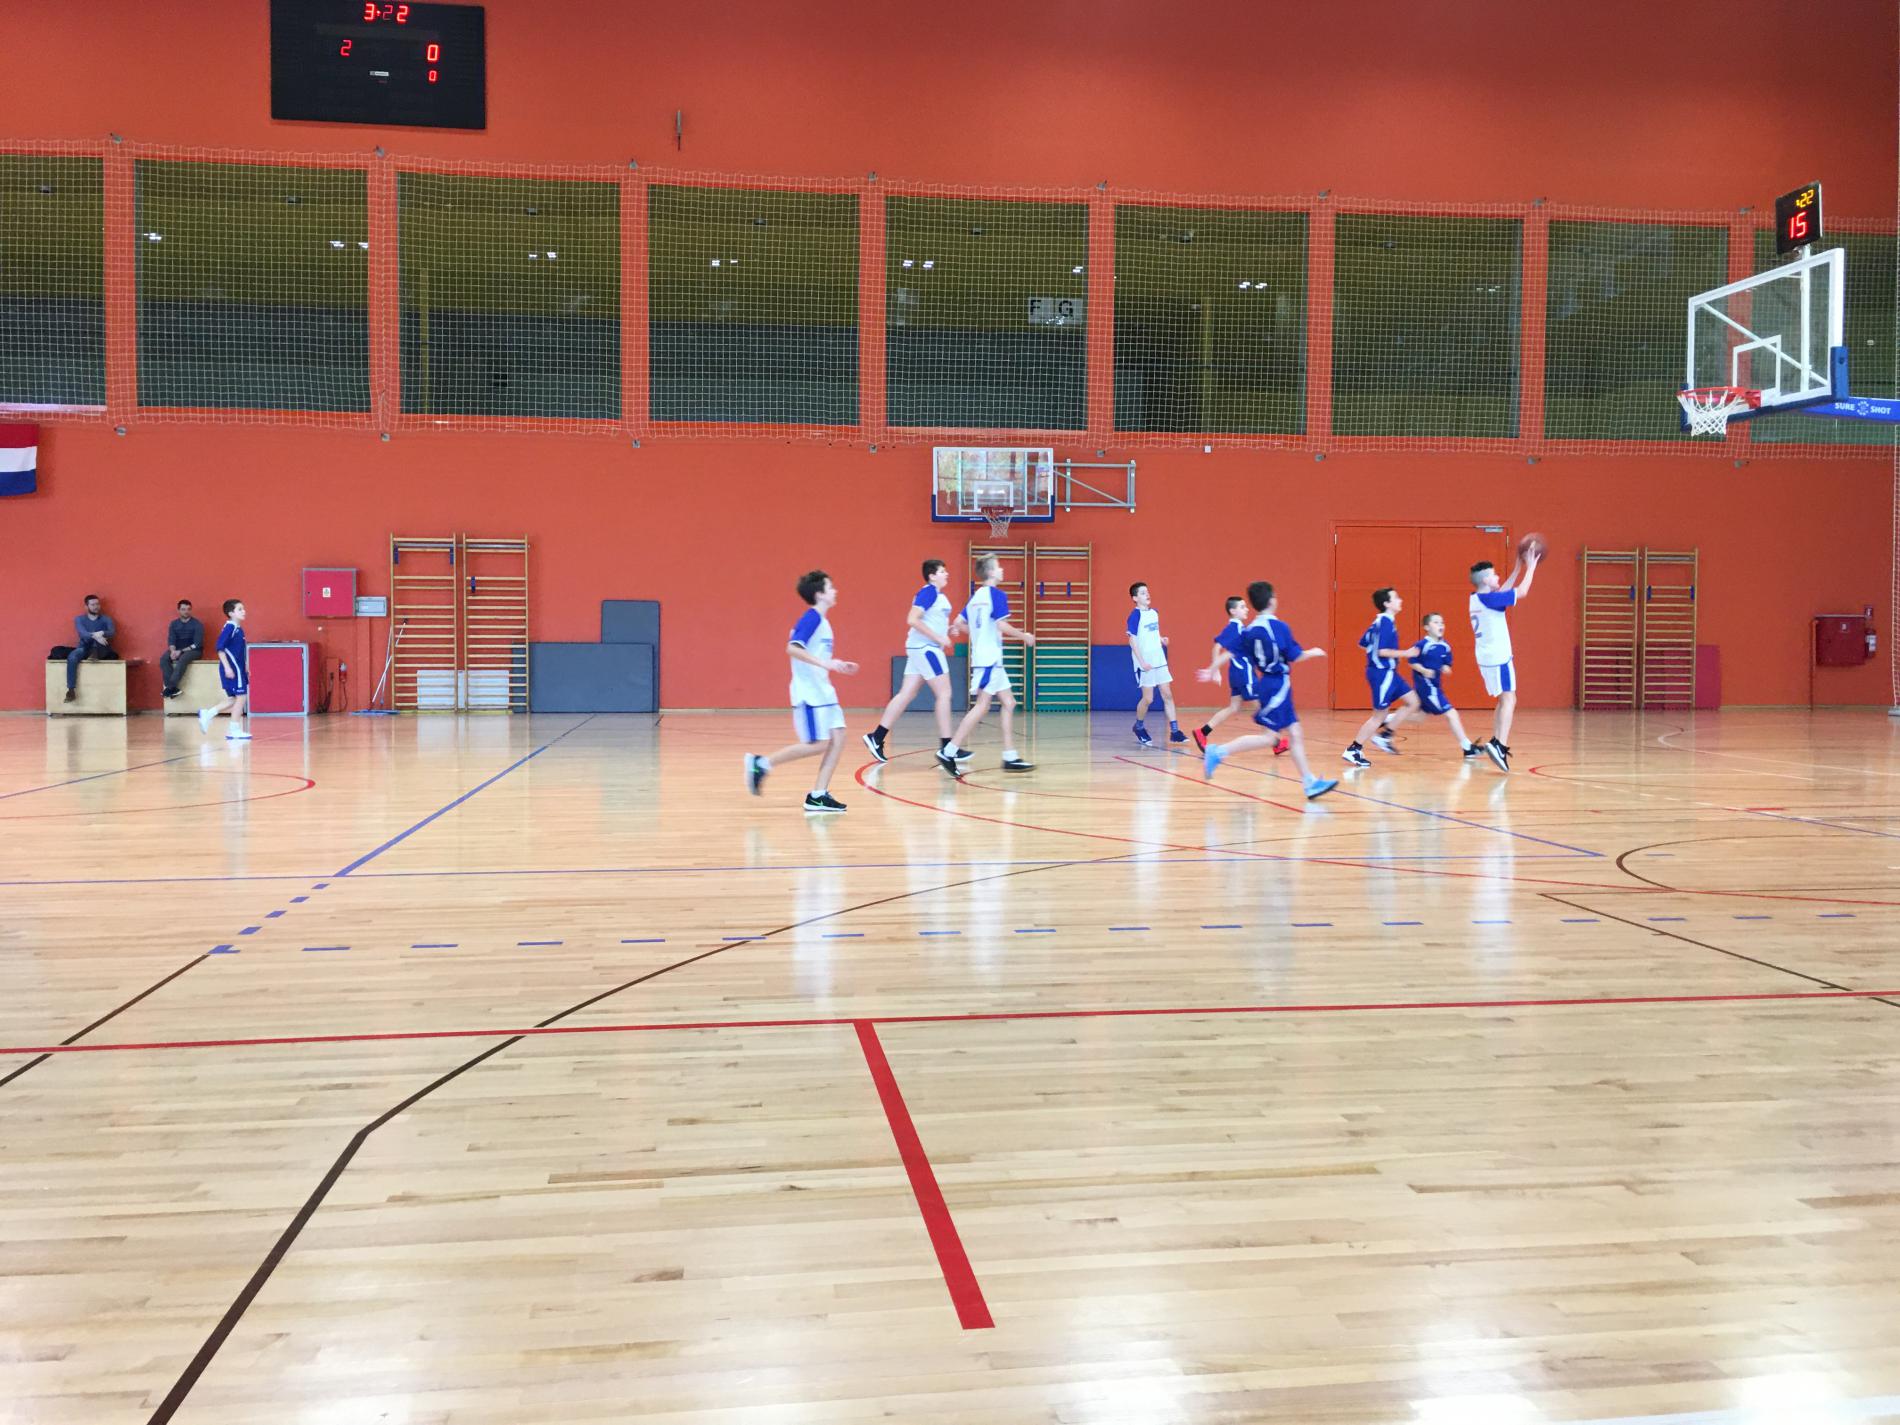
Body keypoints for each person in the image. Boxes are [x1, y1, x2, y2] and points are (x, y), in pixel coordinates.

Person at [1201, 580, 1338, 801]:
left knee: (1293, 733)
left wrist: (1212, 668)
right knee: (1270, 737)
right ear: (1272, 600)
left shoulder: (1250, 630)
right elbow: (1295, 655)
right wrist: (1313, 652)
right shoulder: (1279, 627)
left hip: (1269, 684)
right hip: (1277, 686)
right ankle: (1218, 752)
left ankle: (1309, 782)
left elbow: (1230, 652)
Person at [745, 569, 858, 812]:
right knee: (818, 744)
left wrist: (837, 664)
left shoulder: (823, 622)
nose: (835, 591)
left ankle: (818, 795)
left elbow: (814, 654)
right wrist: (826, 664)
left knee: (839, 737)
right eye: (830, 587)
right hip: (810, 694)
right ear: (819, 594)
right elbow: (793, 648)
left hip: (824, 691)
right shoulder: (812, 618)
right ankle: (761, 764)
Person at [937, 554, 1035, 776]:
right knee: (982, 706)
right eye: (999, 567)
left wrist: (976, 633)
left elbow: (958, 623)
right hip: (989, 660)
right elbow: (1001, 625)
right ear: (991, 572)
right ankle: (949, 751)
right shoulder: (997, 594)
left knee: (1009, 702)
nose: (1002, 570)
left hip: (989, 659)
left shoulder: (976, 597)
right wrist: (1024, 636)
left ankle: (1010, 756)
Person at [863, 558, 964, 765]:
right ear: (932, 576)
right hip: (927, 649)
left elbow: (929, 622)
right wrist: (939, 638)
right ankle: (947, 748)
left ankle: (877, 737)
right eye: (942, 571)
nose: (946, 574)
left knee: (906, 693)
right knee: (944, 694)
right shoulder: (929, 592)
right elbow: (912, 619)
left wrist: (947, 630)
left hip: (920, 648)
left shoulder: (938, 596)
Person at [1468, 548, 1540, 770]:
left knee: (1503, 699)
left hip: (1486, 656)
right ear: (1485, 580)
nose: (1498, 577)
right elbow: (1522, 591)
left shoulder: (1477, 598)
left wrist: (1517, 569)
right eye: (1494, 574)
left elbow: (1502, 593)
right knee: (1510, 700)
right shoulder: (1490, 599)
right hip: (1498, 657)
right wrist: (1531, 567)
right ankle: (1499, 744)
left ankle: (1496, 741)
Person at [1192, 595, 1286, 758]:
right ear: (1233, 611)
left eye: (1246, 606)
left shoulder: (1240, 628)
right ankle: (1275, 742)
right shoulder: (1234, 628)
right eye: (1242, 607)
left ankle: (1203, 731)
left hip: (1237, 674)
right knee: (1261, 707)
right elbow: (1217, 647)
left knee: (1234, 707)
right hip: (1244, 674)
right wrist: (1215, 670)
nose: (1246, 609)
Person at [1342, 587, 1420, 768]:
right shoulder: (1384, 622)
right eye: (1396, 597)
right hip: (1382, 673)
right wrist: (1406, 653)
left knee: (1414, 702)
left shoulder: (1380, 622)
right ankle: (1354, 749)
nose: (1400, 600)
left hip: (1390, 673)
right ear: (1387, 603)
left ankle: (1385, 734)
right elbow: (1381, 651)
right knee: (1378, 716)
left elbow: (1363, 643)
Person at [1404, 611, 1486, 760]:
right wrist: (1423, 670)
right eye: (1436, 622)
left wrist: (1445, 667)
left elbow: (1447, 662)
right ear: (1426, 627)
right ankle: (1467, 748)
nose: (1440, 625)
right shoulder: (1422, 645)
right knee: (1451, 713)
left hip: (1436, 686)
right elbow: (1412, 662)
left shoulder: (1445, 646)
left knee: (1419, 717)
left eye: (1442, 622)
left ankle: (1388, 719)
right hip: (1427, 687)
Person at [1127, 580, 1183, 746]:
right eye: (1143, 593)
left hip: (1159, 659)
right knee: (1148, 699)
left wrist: (1161, 639)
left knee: (1167, 694)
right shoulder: (1135, 616)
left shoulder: (1154, 613)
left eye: (1147, 591)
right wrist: (1142, 662)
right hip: (1145, 662)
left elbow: (1152, 633)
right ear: (1135, 598)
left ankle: (1175, 731)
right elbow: (1132, 641)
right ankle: (1139, 727)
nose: (1147, 594)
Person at [197, 599, 252, 740]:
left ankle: (207, 714)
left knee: (233, 699)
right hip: (232, 668)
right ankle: (234, 729)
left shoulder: (239, 629)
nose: (244, 611)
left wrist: (245, 665)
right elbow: (220, 648)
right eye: (240, 609)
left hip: (238, 668)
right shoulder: (230, 628)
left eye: (243, 608)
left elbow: (239, 651)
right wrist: (227, 667)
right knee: (241, 697)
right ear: (231, 613)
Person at [63, 594, 116, 702]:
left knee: (99, 645)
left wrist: (102, 632)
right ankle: (71, 690)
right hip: (84, 647)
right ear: (86, 606)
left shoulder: (106, 619)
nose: (96, 606)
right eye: (92, 604)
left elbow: (112, 632)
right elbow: (82, 634)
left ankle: (94, 654)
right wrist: (96, 636)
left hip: (101, 648)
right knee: (72, 657)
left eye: (97, 604)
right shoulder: (79, 619)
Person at [159, 598, 204, 700]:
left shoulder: (197, 624)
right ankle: (173, 689)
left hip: (194, 651)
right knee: (164, 659)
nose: (186, 611)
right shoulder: (174, 624)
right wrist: (173, 651)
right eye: (183, 609)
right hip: (177, 649)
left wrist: (181, 651)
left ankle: (170, 687)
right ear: (178, 610)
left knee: (183, 659)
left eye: (188, 609)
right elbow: (171, 640)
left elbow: (197, 644)